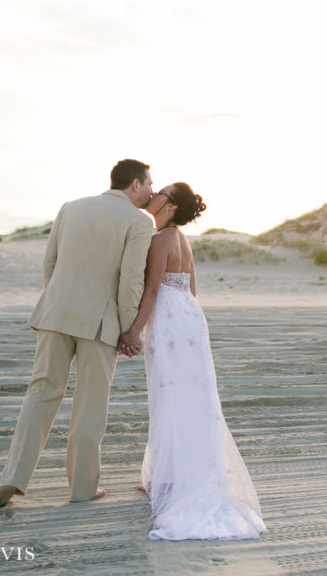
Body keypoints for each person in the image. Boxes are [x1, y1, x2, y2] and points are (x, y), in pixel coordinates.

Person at [0, 159, 156, 507]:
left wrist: (59, 302)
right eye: (150, 184)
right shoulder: (139, 221)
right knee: (90, 406)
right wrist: (128, 330)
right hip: (99, 323)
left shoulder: (71, 208)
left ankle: (13, 478)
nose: (152, 191)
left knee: (40, 395)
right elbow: (130, 281)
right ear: (135, 184)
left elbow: (50, 262)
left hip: (56, 314)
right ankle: (82, 488)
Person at [120, 182, 266, 540]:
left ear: (169, 206)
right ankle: (168, 474)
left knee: (169, 394)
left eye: (161, 193)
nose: (153, 196)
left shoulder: (160, 240)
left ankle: (170, 479)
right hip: (189, 317)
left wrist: (134, 331)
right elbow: (192, 289)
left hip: (169, 319)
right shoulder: (182, 239)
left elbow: (153, 289)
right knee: (191, 396)